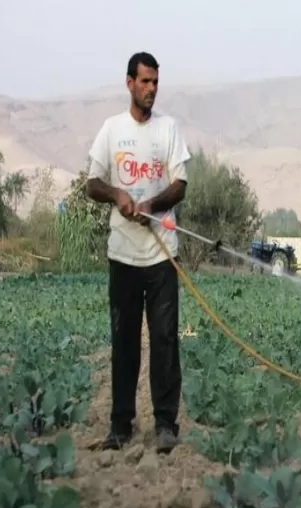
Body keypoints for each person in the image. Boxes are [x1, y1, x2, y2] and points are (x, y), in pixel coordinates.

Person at [85, 51, 192, 453]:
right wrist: (117, 193)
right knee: (124, 340)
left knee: (165, 339)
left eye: (155, 83)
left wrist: (152, 205)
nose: (151, 90)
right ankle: (120, 426)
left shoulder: (169, 130)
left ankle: (166, 425)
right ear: (129, 82)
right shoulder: (112, 130)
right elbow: (91, 183)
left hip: (163, 257)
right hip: (123, 257)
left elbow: (180, 183)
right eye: (145, 82)